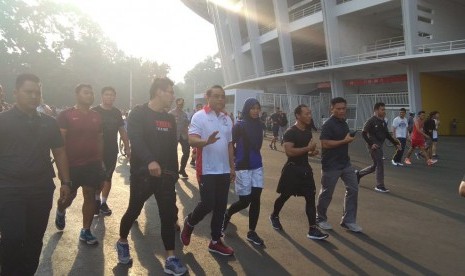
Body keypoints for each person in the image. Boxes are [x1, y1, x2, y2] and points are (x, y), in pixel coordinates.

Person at [0, 73, 71, 275]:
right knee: (13, 237)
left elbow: (59, 151)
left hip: (40, 188)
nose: (33, 96)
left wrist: (66, 182)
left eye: (37, 93)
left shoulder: (49, 123)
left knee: (34, 238)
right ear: (15, 93)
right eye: (28, 92)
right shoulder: (2, 121)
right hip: (8, 188)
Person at [116, 77, 187, 275]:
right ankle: (122, 241)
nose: (173, 96)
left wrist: (173, 173)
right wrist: (149, 161)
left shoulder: (170, 118)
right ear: (158, 92)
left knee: (168, 215)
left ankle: (170, 257)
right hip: (142, 174)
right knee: (134, 210)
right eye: (170, 92)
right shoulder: (138, 113)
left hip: (165, 176)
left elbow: (172, 148)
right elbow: (136, 139)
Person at [180, 85, 235, 256]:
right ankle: (190, 222)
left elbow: (229, 144)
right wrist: (207, 142)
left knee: (220, 207)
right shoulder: (199, 116)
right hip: (207, 169)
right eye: (217, 96)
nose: (220, 99)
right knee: (207, 203)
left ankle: (215, 241)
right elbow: (191, 140)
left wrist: (232, 167)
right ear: (208, 98)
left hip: (224, 170)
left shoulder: (227, 119)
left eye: (223, 96)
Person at [269, 104, 329, 240]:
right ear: (298, 115)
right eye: (306, 114)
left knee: (310, 197)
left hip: (305, 169)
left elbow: (306, 151)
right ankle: (274, 215)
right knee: (284, 196)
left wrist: (313, 152)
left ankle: (312, 229)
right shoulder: (290, 132)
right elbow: (289, 152)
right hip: (292, 170)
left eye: (310, 113)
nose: (309, 116)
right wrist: (308, 149)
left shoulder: (307, 131)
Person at [55, 84, 104, 245]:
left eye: (91, 93)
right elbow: (59, 145)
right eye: (86, 93)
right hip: (71, 165)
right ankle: (61, 210)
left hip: (92, 164)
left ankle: (86, 230)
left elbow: (99, 139)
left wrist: (101, 161)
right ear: (77, 95)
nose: (90, 96)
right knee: (68, 197)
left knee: (89, 194)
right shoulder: (66, 115)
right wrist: (62, 170)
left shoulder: (96, 116)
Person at [222, 98, 265, 245]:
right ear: (247, 109)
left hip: (257, 165)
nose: (255, 111)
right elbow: (230, 144)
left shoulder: (260, 124)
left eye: (257, 108)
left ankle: (252, 232)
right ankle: (227, 213)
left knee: (256, 199)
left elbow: (258, 144)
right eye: (252, 108)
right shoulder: (239, 126)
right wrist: (233, 162)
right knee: (245, 201)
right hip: (243, 167)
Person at [316, 97, 362, 233]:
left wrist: (348, 139)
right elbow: (324, 143)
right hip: (331, 165)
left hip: (345, 163)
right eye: (339, 109)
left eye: (344, 108)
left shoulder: (343, 122)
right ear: (332, 109)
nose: (342, 111)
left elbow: (344, 139)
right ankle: (320, 219)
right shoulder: (328, 124)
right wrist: (344, 141)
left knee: (353, 189)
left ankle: (348, 221)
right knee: (327, 193)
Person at [92, 87, 130, 216]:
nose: (109, 97)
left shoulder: (116, 112)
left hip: (111, 150)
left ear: (115, 97)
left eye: (112, 95)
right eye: (107, 94)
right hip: (96, 150)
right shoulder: (94, 111)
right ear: (102, 96)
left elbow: (122, 130)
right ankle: (95, 201)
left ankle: (103, 203)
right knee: (98, 178)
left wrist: (127, 147)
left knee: (108, 177)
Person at [358, 103, 401, 193]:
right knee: (380, 164)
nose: (384, 111)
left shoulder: (383, 122)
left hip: (379, 146)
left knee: (375, 165)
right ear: (376, 110)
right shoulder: (371, 121)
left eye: (384, 109)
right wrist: (371, 144)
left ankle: (358, 175)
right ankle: (379, 186)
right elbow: (363, 133)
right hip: (374, 146)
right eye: (382, 109)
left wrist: (395, 143)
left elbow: (387, 134)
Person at [169, 98, 190, 178]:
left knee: (187, 152)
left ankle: (182, 169)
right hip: (173, 135)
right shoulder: (171, 113)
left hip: (183, 135)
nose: (181, 105)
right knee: (173, 154)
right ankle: (174, 171)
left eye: (182, 104)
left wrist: (187, 130)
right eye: (180, 104)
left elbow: (187, 124)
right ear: (176, 103)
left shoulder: (184, 114)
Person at [189, 103, 203, 168]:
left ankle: (193, 160)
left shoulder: (204, 115)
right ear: (196, 108)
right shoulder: (194, 116)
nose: (200, 108)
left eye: (201, 107)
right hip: (195, 134)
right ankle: (193, 160)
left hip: (202, 135)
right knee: (195, 149)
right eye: (199, 107)